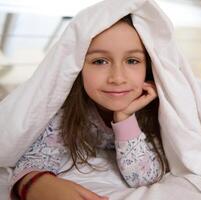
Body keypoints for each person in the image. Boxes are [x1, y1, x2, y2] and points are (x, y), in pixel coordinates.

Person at [10, 14, 167, 200]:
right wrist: (36, 183)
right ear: (77, 67)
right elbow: (34, 160)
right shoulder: (70, 112)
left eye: (132, 60)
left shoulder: (153, 111)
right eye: (99, 61)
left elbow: (145, 177)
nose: (117, 78)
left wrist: (125, 118)